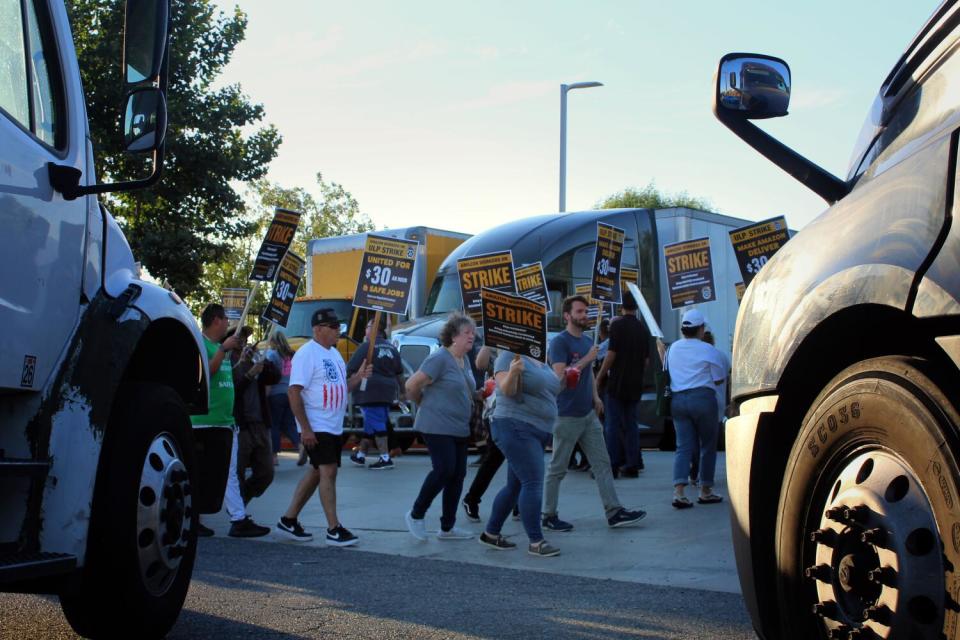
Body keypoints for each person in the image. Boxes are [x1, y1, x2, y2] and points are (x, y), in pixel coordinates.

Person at [541, 295, 647, 532]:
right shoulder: (560, 343)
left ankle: (614, 511)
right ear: (567, 316)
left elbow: (587, 374)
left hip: (587, 415)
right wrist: (587, 359)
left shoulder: (586, 340)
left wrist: (596, 397)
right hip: (567, 415)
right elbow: (559, 377)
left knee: (602, 463)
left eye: (585, 311)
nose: (584, 315)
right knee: (557, 468)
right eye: (579, 312)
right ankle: (548, 515)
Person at [275, 308, 372, 546]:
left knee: (318, 471)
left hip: (333, 425)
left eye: (338, 326)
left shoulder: (334, 354)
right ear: (318, 329)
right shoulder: (307, 354)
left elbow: (342, 388)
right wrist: (305, 428)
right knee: (329, 471)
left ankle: (288, 520)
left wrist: (358, 377)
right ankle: (333, 528)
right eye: (333, 327)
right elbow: (293, 391)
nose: (338, 331)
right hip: (317, 425)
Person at [191, 304, 271, 538]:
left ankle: (237, 518)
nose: (228, 323)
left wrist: (243, 362)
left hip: (224, 421)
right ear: (216, 320)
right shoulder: (201, 343)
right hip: (204, 420)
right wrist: (223, 351)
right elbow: (206, 373)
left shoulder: (218, 347)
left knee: (228, 473)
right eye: (225, 319)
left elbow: (227, 375)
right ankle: (200, 518)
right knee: (203, 472)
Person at [479, 352, 565, 556]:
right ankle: (536, 541)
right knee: (532, 482)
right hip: (515, 425)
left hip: (538, 428)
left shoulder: (540, 358)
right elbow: (506, 389)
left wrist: (566, 381)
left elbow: (548, 391)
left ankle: (491, 534)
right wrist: (514, 372)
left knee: (516, 485)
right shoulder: (508, 356)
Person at [404, 312, 477, 541]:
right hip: (436, 425)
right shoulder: (439, 358)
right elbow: (411, 385)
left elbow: (461, 390)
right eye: (467, 333)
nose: (471, 337)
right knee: (444, 469)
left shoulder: (463, 361)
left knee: (457, 476)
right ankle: (416, 513)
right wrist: (422, 403)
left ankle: (447, 527)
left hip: (459, 427)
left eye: (473, 333)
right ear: (453, 336)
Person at [666, 308, 727, 509]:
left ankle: (679, 491)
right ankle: (705, 489)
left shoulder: (673, 348)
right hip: (703, 399)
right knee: (707, 446)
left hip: (678, 401)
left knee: (683, 447)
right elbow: (719, 378)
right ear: (701, 329)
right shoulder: (709, 350)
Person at [596, 291, 651, 477]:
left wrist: (600, 376)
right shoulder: (643, 329)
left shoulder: (617, 325)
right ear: (636, 308)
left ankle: (613, 463)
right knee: (632, 425)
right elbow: (646, 361)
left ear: (622, 306)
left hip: (617, 383)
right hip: (635, 383)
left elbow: (611, 354)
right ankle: (632, 464)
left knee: (612, 424)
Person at [346, 316, 405, 470]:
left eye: (367, 326)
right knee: (371, 424)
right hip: (388, 392)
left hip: (369, 391)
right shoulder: (391, 348)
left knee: (377, 424)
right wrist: (403, 392)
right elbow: (399, 373)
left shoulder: (367, 346)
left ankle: (385, 458)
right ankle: (360, 456)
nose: (365, 329)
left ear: (373, 329)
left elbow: (351, 368)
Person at [231, 339, 280, 507]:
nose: (242, 342)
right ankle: (238, 512)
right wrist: (249, 374)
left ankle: (241, 501)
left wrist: (262, 360)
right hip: (241, 424)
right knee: (238, 472)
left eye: (245, 338)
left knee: (266, 473)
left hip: (260, 423)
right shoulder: (229, 362)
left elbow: (275, 377)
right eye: (238, 337)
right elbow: (232, 392)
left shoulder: (253, 358)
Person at [264, 331, 305, 466]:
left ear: (273, 341)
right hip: (289, 393)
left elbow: (267, 372)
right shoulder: (291, 355)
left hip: (275, 393)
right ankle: (300, 446)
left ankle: (274, 456)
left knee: (274, 425)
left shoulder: (272, 354)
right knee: (289, 424)